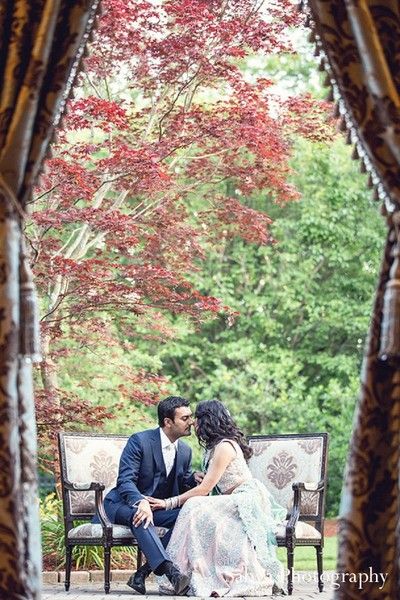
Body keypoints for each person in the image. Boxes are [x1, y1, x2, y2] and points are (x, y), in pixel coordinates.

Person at [148, 399, 287, 597]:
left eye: (197, 417)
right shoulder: (215, 447)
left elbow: (205, 490)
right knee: (197, 509)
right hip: (230, 500)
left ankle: (175, 570)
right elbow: (210, 482)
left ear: (208, 420)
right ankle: (182, 571)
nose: (194, 423)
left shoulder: (225, 446)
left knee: (195, 504)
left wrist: (167, 502)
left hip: (244, 499)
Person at [102, 395, 202, 595]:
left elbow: (181, 483)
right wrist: (140, 501)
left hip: (158, 508)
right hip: (122, 504)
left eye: (190, 417)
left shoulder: (185, 450)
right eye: (185, 418)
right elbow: (125, 480)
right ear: (168, 422)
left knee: (189, 516)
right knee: (140, 515)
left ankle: (142, 573)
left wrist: (194, 479)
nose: (191, 422)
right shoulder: (140, 440)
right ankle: (170, 572)